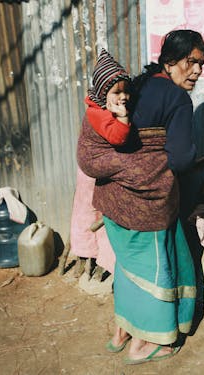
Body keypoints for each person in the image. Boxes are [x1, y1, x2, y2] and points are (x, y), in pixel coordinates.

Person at [77, 29, 204, 365]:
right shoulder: (177, 99)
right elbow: (178, 158)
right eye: (191, 62)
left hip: (111, 201)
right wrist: (192, 153)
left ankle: (123, 330)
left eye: (201, 63)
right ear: (170, 61)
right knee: (155, 271)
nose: (196, 70)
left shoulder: (131, 86)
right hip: (144, 205)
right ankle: (148, 341)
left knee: (127, 266)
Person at [69, 49, 132, 276]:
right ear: (103, 93)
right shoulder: (99, 114)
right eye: (116, 92)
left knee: (98, 212)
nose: (122, 97)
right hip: (91, 174)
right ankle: (92, 254)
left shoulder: (101, 109)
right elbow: (119, 137)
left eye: (125, 91)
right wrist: (124, 117)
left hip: (94, 171)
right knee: (94, 212)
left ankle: (102, 258)